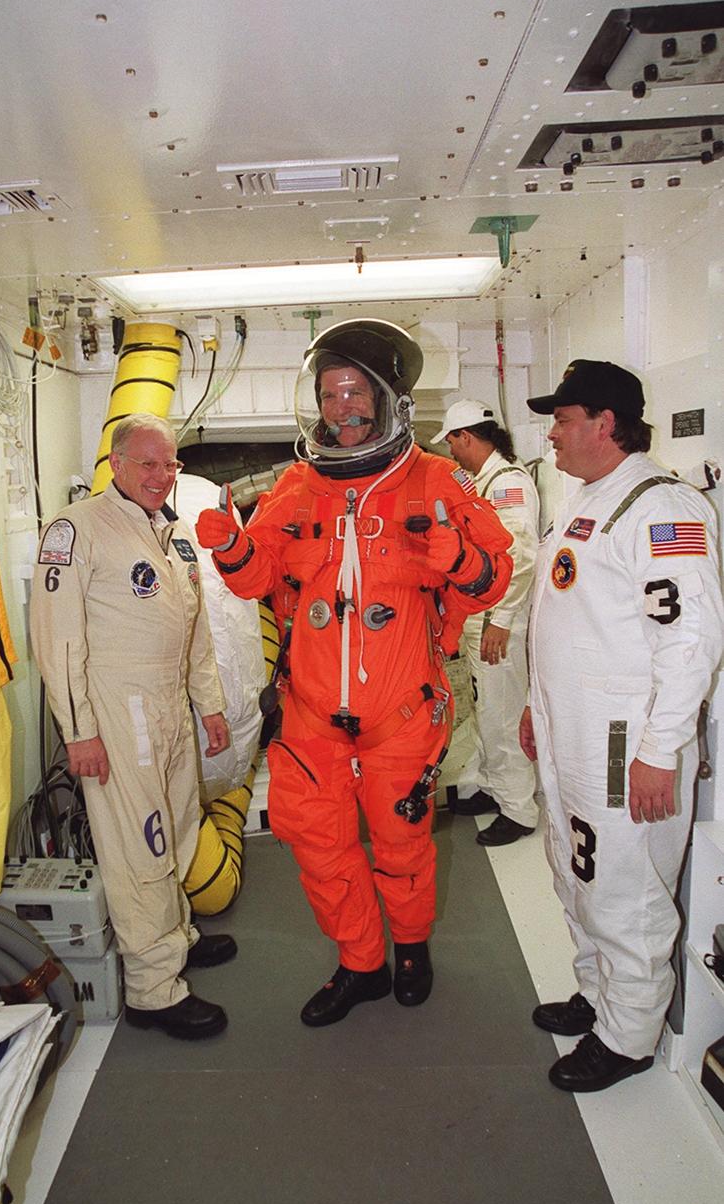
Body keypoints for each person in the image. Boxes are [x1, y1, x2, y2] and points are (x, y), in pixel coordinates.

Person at [196, 320, 513, 1026]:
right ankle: (360, 963)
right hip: (312, 718)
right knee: (319, 846)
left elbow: (495, 576)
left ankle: (410, 953)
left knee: (401, 846)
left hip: (402, 713)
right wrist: (229, 550)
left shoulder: (436, 479)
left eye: (354, 391)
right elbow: (258, 581)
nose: (342, 406)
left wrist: (453, 555)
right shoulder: (299, 485)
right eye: (330, 393)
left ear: (388, 400)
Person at [519, 360, 724, 1091]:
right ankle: (600, 993)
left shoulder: (661, 508)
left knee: (625, 890)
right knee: (577, 875)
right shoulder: (592, 500)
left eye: (563, 419)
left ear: (606, 424)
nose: (552, 434)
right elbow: (573, 621)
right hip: (572, 731)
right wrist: (535, 704)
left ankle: (629, 1034)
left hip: (622, 745)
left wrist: (660, 749)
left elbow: (690, 638)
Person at [30, 413, 235, 1040]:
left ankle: (174, 937)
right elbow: (57, 640)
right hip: (118, 714)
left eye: (170, 463)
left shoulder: (168, 533)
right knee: (138, 848)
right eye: (148, 463)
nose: (162, 475)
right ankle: (153, 988)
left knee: (175, 830)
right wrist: (79, 731)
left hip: (170, 703)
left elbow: (193, 628)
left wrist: (211, 703)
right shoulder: (77, 529)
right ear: (115, 464)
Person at [431, 399, 540, 845]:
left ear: (466, 437)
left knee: (502, 714)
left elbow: (521, 554)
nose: (452, 453)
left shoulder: (508, 484)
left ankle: (519, 810)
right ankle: (496, 788)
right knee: (484, 709)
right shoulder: (483, 482)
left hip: (499, 622)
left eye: (453, 443)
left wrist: (502, 619)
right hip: (483, 616)